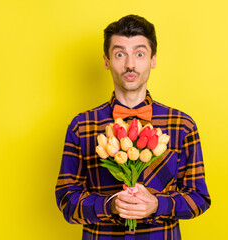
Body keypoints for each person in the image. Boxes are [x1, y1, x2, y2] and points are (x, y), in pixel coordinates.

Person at [55, 14, 211, 239]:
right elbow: (66, 199)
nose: (130, 64)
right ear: (107, 61)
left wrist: (158, 204)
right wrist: (109, 205)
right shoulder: (81, 126)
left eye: (139, 54)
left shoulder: (182, 125)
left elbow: (198, 198)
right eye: (120, 54)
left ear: (153, 60)